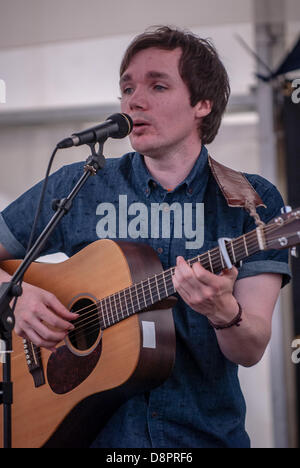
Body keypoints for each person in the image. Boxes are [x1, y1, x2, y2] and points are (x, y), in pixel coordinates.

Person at [0, 26, 291, 448]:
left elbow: (249, 349)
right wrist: (14, 295)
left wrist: (222, 311)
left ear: (202, 104)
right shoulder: (80, 184)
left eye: (157, 85)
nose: (134, 101)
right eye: (127, 87)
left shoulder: (250, 200)